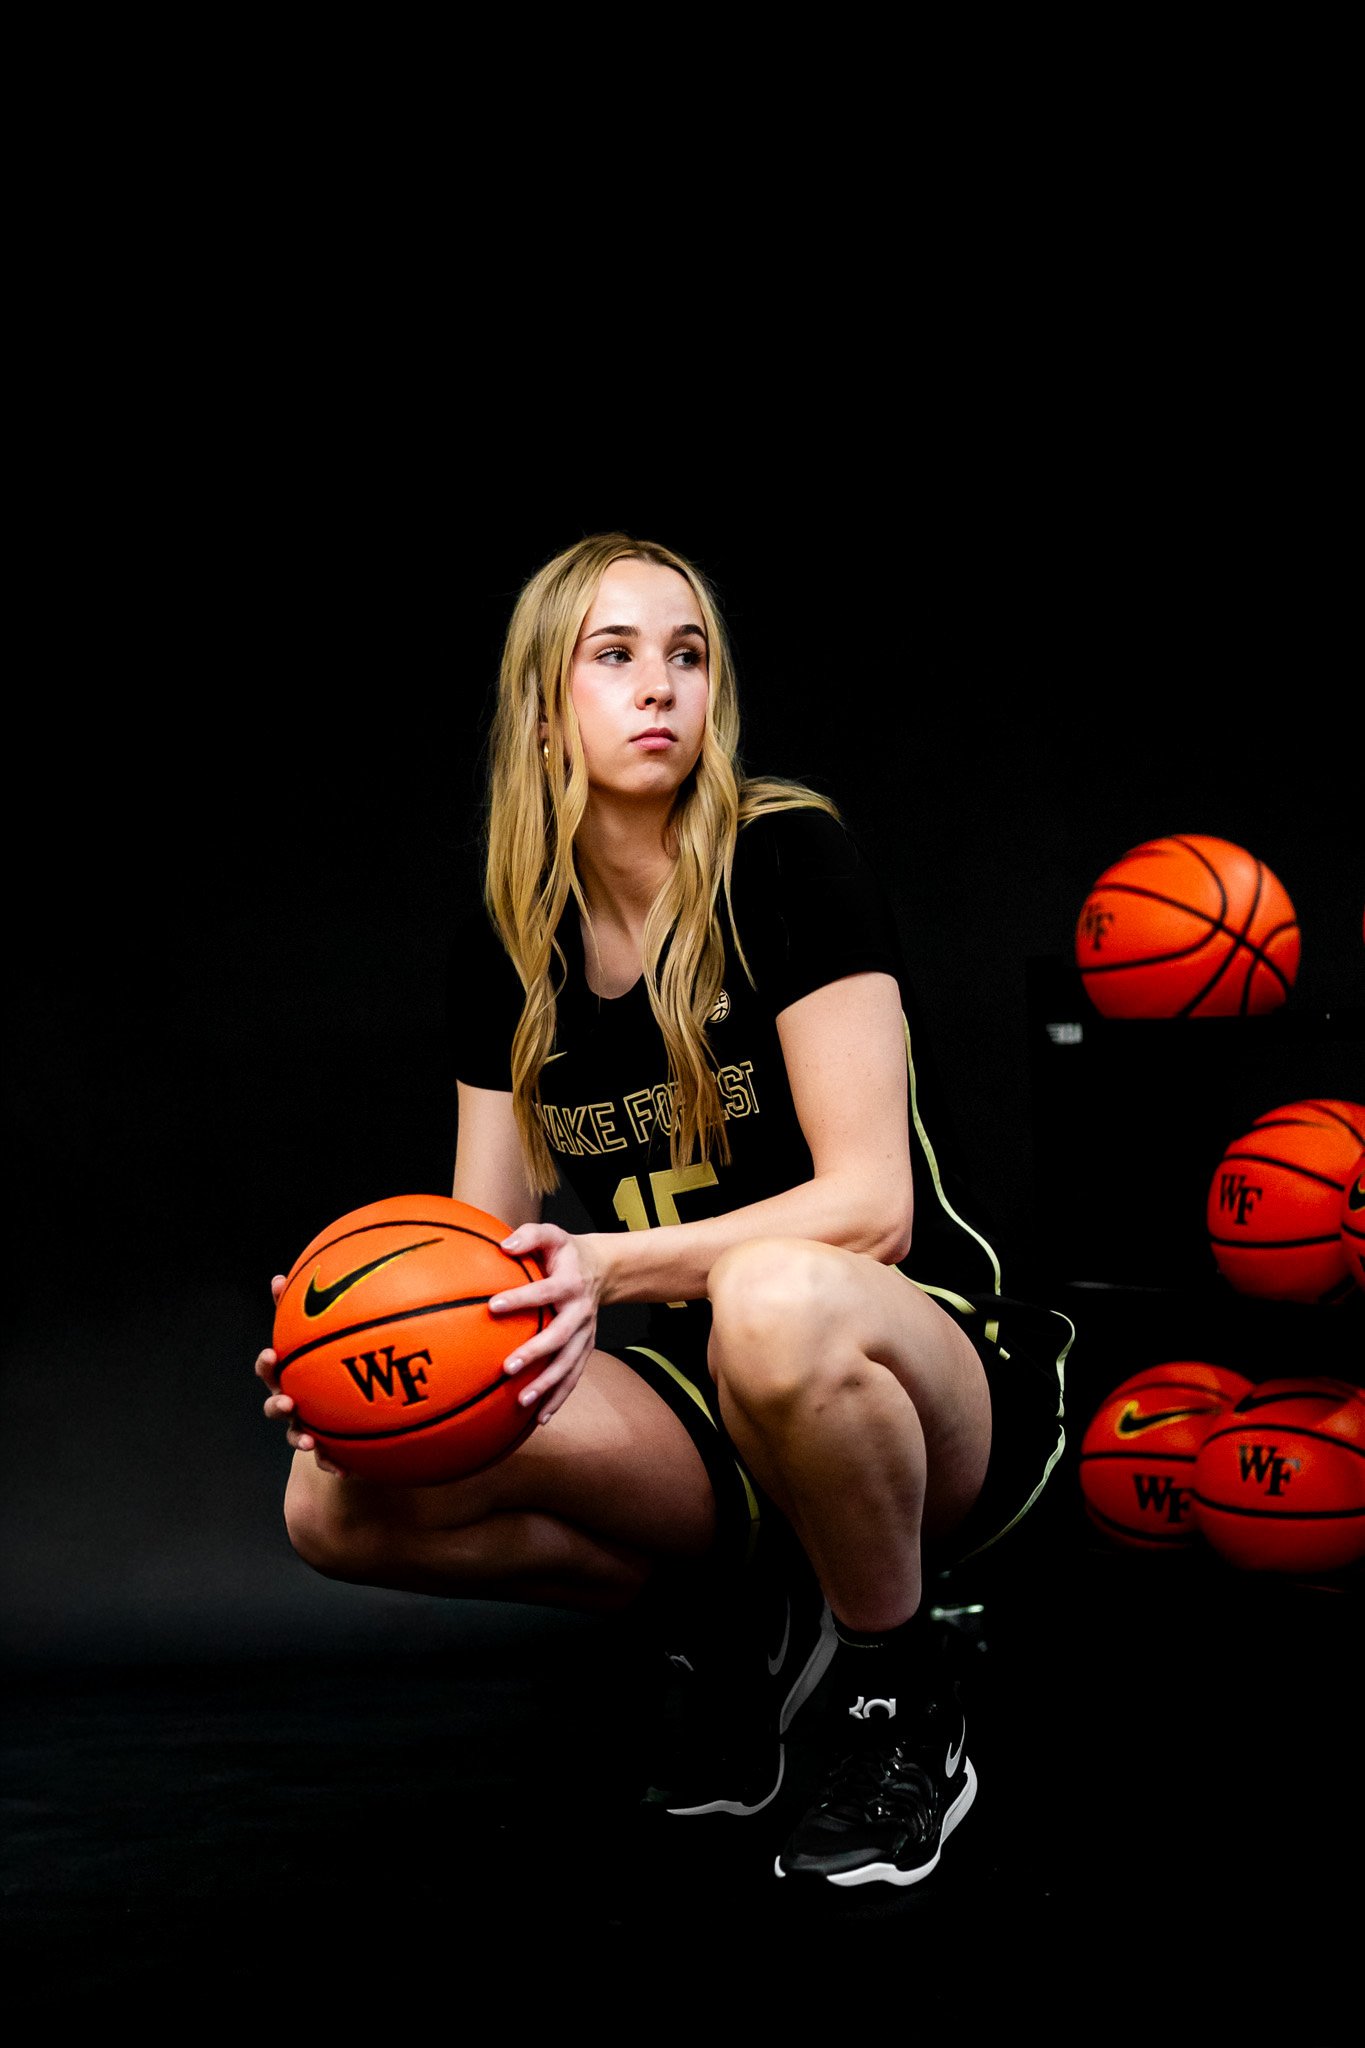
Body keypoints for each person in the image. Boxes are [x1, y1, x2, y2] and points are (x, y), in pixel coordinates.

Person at [255, 532, 1073, 1889]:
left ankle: (899, 1686)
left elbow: (867, 1210)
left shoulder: (784, 860)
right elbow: (474, 1256)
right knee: (338, 1500)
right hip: (711, 1395)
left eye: (686, 657)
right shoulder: (507, 947)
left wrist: (605, 1266)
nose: (661, 690)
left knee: (776, 1295)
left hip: (928, 1365)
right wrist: (352, 1363)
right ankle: (741, 1635)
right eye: (616, 657)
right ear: (540, 709)